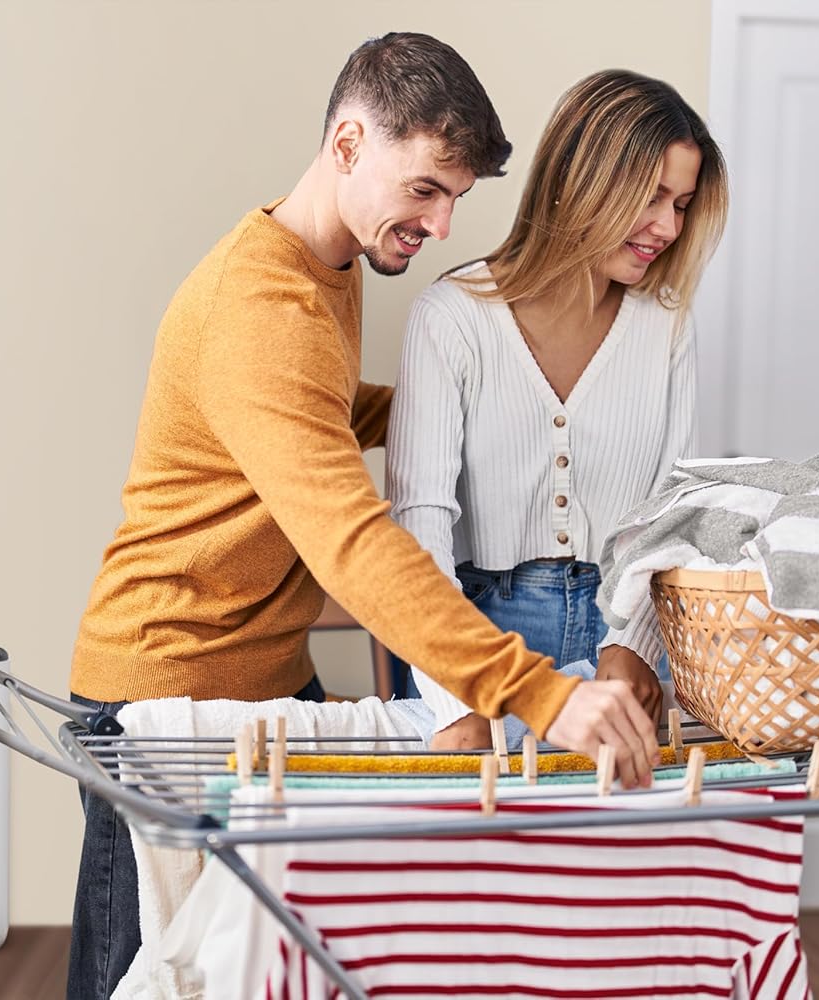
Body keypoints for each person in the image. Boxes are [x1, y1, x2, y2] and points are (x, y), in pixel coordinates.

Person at [65, 36, 658, 1000]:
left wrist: (462, 400)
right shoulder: (263, 306)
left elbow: (317, 408)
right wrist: (542, 695)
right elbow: (351, 540)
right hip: (166, 696)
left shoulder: (322, 266)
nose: (441, 219)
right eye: (424, 188)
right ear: (348, 142)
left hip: (266, 677)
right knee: (151, 979)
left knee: (278, 970)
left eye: (456, 196)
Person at [387, 69, 729, 751]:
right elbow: (417, 527)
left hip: (625, 637)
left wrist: (632, 645)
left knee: (615, 857)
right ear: (585, 179)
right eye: (652, 195)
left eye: (683, 203)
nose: (667, 225)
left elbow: (673, 509)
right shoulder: (451, 319)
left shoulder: (666, 326)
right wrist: (460, 699)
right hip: (477, 645)